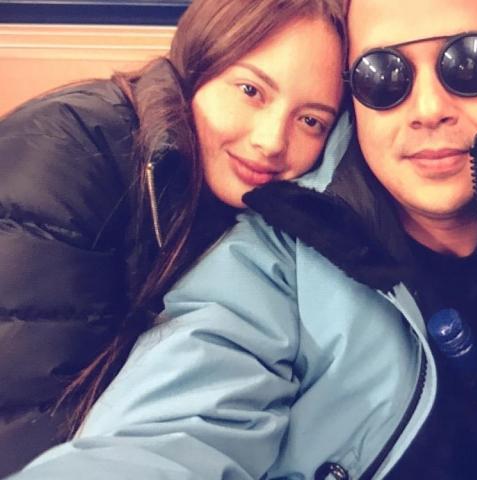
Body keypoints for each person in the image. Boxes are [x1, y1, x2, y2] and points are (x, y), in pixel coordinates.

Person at [6, 0, 477, 478]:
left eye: (467, 63)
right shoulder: (274, 260)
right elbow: (169, 428)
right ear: (356, 102)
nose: (428, 108)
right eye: (384, 76)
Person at [0, 0, 345, 475]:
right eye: (251, 91)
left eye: (311, 121)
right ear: (197, 66)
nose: (271, 141)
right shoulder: (73, 152)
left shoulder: (246, 211)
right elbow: (23, 420)